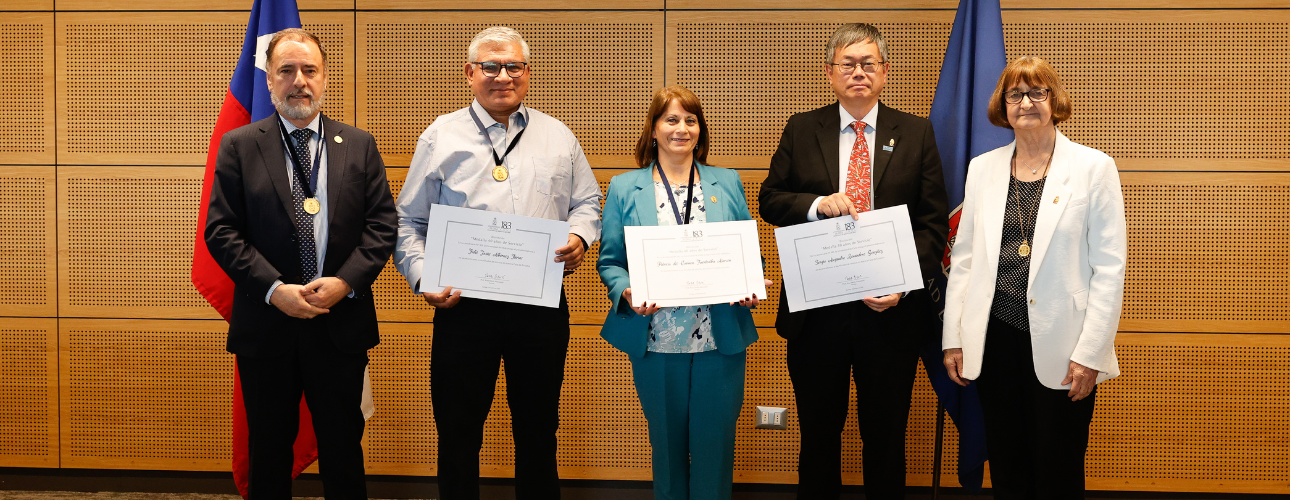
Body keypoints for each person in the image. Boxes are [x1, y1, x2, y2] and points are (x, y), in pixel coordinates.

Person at [393, 26, 602, 500]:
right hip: (463, 306)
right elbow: (407, 221)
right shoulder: (439, 136)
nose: (502, 76)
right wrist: (424, 276)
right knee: (458, 430)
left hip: (540, 305)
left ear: (527, 73)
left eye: (513, 66)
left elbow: (589, 203)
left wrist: (579, 237)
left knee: (538, 428)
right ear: (469, 73)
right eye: (490, 66)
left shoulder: (558, 136)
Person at [758, 23, 949, 500]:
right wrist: (816, 204)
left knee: (885, 438)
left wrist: (904, 284)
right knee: (818, 436)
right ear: (830, 73)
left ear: (884, 72)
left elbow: (933, 224)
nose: (859, 72)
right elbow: (770, 199)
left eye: (868, 63)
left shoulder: (916, 131)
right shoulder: (803, 128)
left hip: (891, 313)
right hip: (817, 314)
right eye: (848, 64)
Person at [204, 28, 397, 499]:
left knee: (343, 449)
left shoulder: (358, 145)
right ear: (269, 80)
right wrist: (275, 290)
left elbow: (382, 227)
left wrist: (344, 282)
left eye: (309, 70)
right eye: (286, 70)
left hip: (339, 322)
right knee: (269, 452)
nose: (299, 81)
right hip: (268, 325)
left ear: (325, 77)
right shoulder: (240, 145)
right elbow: (221, 232)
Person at [941, 56, 1126, 498]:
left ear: (1054, 100)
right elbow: (963, 259)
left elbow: (1109, 268)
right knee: (1006, 463)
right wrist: (954, 337)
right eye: (1015, 94)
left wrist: (1091, 352)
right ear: (1002, 106)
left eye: (1037, 92)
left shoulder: (1093, 167)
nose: (1026, 102)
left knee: (1058, 465)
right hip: (994, 338)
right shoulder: (983, 168)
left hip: (1065, 345)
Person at [597, 85, 762, 500]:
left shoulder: (726, 181)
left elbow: (746, 250)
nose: (681, 129)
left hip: (718, 337)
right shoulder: (624, 187)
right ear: (653, 129)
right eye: (671, 119)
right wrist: (627, 290)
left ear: (700, 129)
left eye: (690, 120)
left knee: (716, 448)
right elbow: (610, 261)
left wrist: (748, 284)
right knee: (666, 449)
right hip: (657, 338)